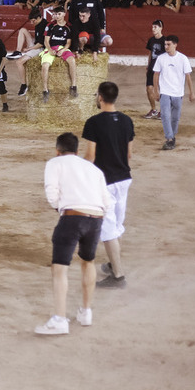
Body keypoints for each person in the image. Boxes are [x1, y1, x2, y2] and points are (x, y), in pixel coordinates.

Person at [36, 132, 113, 335]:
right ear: (78, 151)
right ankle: (86, 312)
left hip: (72, 216)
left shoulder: (55, 163)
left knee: (60, 268)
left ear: (57, 150)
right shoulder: (92, 168)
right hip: (96, 218)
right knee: (88, 261)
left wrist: (60, 208)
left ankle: (60, 319)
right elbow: (107, 201)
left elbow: (51, 193)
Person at [82, 81, 134, 289]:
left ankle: (118, 276)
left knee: (108, 228)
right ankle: (114, 265)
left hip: (105, 181)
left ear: (101, 97)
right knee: (116, 225)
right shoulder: (127, 121)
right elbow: (129, 154)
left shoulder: (93, 123)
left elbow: (90, 156)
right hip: (124, 178)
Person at [152, 35, 195, 150]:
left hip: (178, 93)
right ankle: (170, 139)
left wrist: (192, 92)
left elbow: (188, 77)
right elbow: (156, 75)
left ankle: (172, 135)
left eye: (168, 44)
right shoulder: (161, 58)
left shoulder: (183, 58)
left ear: (175, 45)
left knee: (175, 118)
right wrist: (156, 91)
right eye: (165, 44)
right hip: (165, 92)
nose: (166, 46)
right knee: (165, 115)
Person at [39, 6, 79, 103]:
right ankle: (45, 90)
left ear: (64, 14)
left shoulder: (69, 26)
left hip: (62, 48)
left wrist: (63, 50)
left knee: (72, 60)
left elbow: (68, 42)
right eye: (55, 14)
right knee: (45, 65)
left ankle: (73, 86)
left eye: (59, 14)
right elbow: (46, 41)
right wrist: (49, 49)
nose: (57, 16)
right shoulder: (50, 25)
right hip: (51, 47)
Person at [6, 7, 47, 97]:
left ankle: (24, 85)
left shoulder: (44, 25)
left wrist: (29, 49)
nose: (32, 23)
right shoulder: (38, 23)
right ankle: (17, 51)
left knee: (19, 62)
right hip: (36, 44)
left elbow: (41, 44)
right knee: (22, 30)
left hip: (40, 48)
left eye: (33, 21)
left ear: (39, 18)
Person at [143, 20, 165, 119]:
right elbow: (150, 54)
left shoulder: (165, 41)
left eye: (155, 27)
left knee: (163, 90)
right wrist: (148, 65)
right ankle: (154, 109)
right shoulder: (151, 40)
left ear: (161, 28)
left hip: (161, 69)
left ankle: (163, 110)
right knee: (149, 88)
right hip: (152, 67)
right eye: (152, 27)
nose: (153, 29)